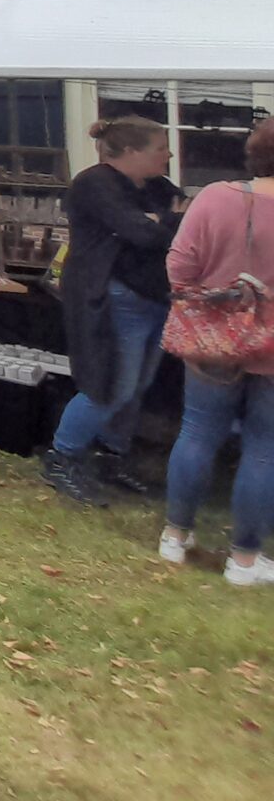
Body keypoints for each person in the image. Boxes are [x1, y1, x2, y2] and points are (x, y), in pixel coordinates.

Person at [41, 115, 183, 507]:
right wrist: (162, 222)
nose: (168, 154)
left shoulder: (155, 186)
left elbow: (180, 218)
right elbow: (142, 232)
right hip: (113, 297)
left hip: (155, 298)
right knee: (109, 384)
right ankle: (62, 455)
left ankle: (111, 455)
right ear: (133, 152)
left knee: (136, 386)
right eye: (160, 148)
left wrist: (163, 220)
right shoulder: (94, 184)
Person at [159, 116, 274, 584]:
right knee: (265, 449)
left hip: (212, 338)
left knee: (197, 433)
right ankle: (244, 562)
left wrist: (217, 296)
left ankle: (174, 537)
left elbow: (178, 268)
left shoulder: (213, 197)